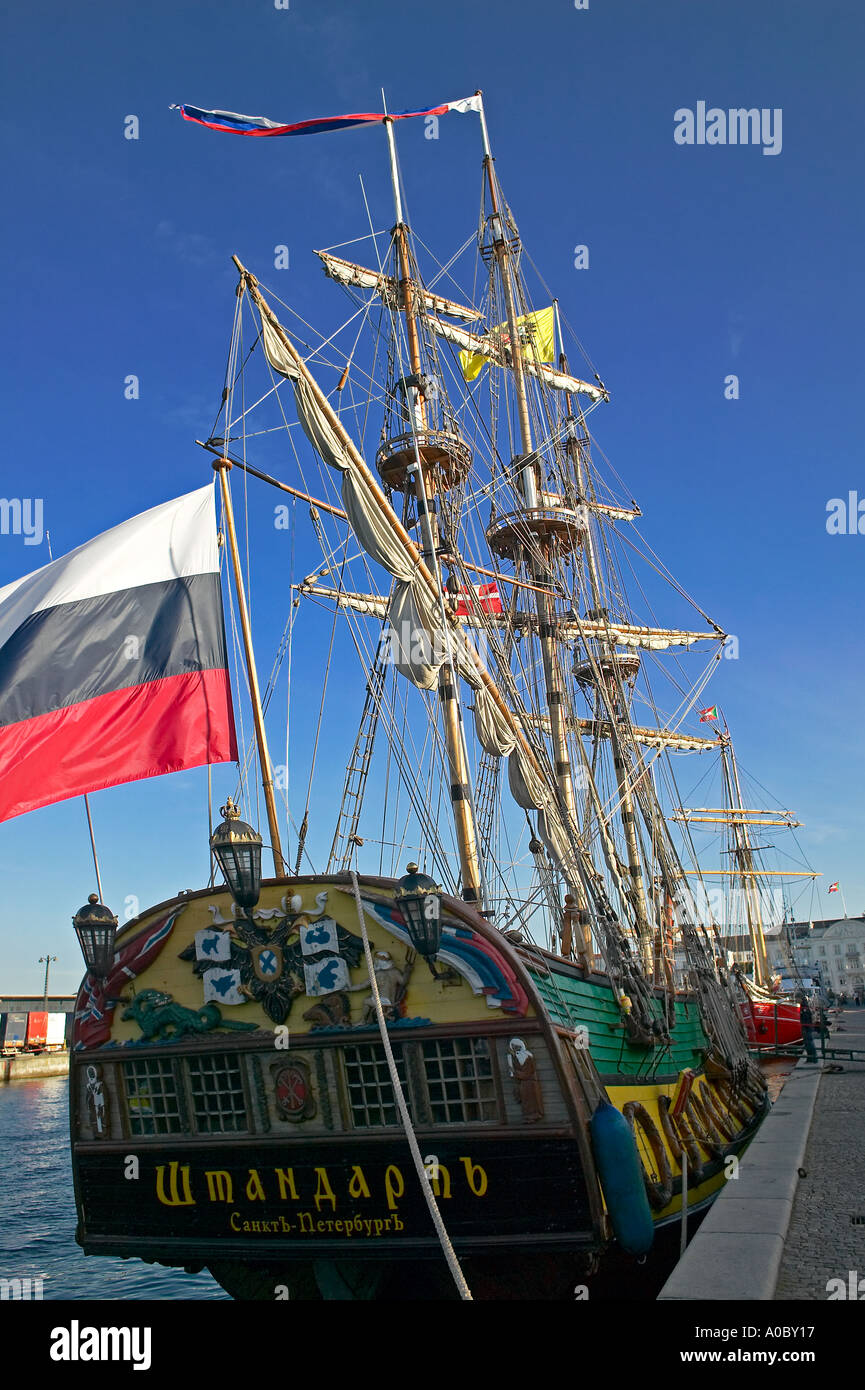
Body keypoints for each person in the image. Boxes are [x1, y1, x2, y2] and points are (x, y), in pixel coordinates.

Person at [798, 993, 817, 1062]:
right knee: (808, 1043)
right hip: (807, 1027)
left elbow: (805, 1018)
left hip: (806, 1027)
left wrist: (804, 1027)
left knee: (809, 1042)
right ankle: (811, 1058)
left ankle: (812, 1058)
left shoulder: (804, 1008)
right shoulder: (804, 1006)